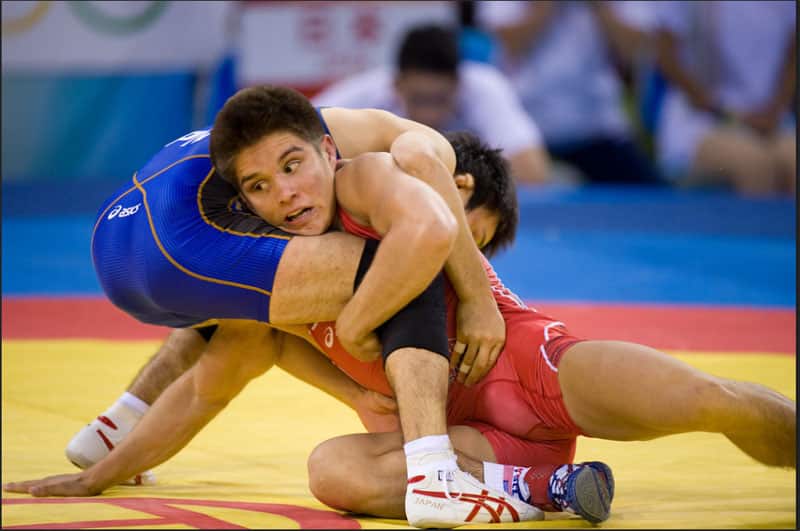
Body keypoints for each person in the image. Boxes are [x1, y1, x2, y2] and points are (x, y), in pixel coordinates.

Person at [4, 86, 540, 528]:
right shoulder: (401, 159)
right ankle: (432, 472)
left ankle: (117, 424)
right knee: (404, 262)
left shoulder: (292, 143)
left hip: (117, 243)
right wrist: (473, 301)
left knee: (247, 319)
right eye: (477, 236)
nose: (471, 255)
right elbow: (427, 208)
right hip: (177, 247)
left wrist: (98, 480)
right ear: (458, 186)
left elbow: (232, 363)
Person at [313, 23, 551, 185]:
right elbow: (296, 130)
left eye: (439, 100)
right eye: (419, 100)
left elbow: (533, 173)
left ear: (459, 85)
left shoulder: (485, 88)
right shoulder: (363, 95)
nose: (429, 115)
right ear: (397, 84)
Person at [476, 1, 663, 184]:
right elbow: (507, 44)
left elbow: (634, 51)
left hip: (598, 126)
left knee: (652, 197)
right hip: (527, 125)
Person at [653, 1, 796, 195]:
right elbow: (665, 56)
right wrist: (722, 110)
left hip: (771, 120)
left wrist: (774, 111)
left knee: (792, 159)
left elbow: (792, 56)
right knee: (754, 164)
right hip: (702, 121)